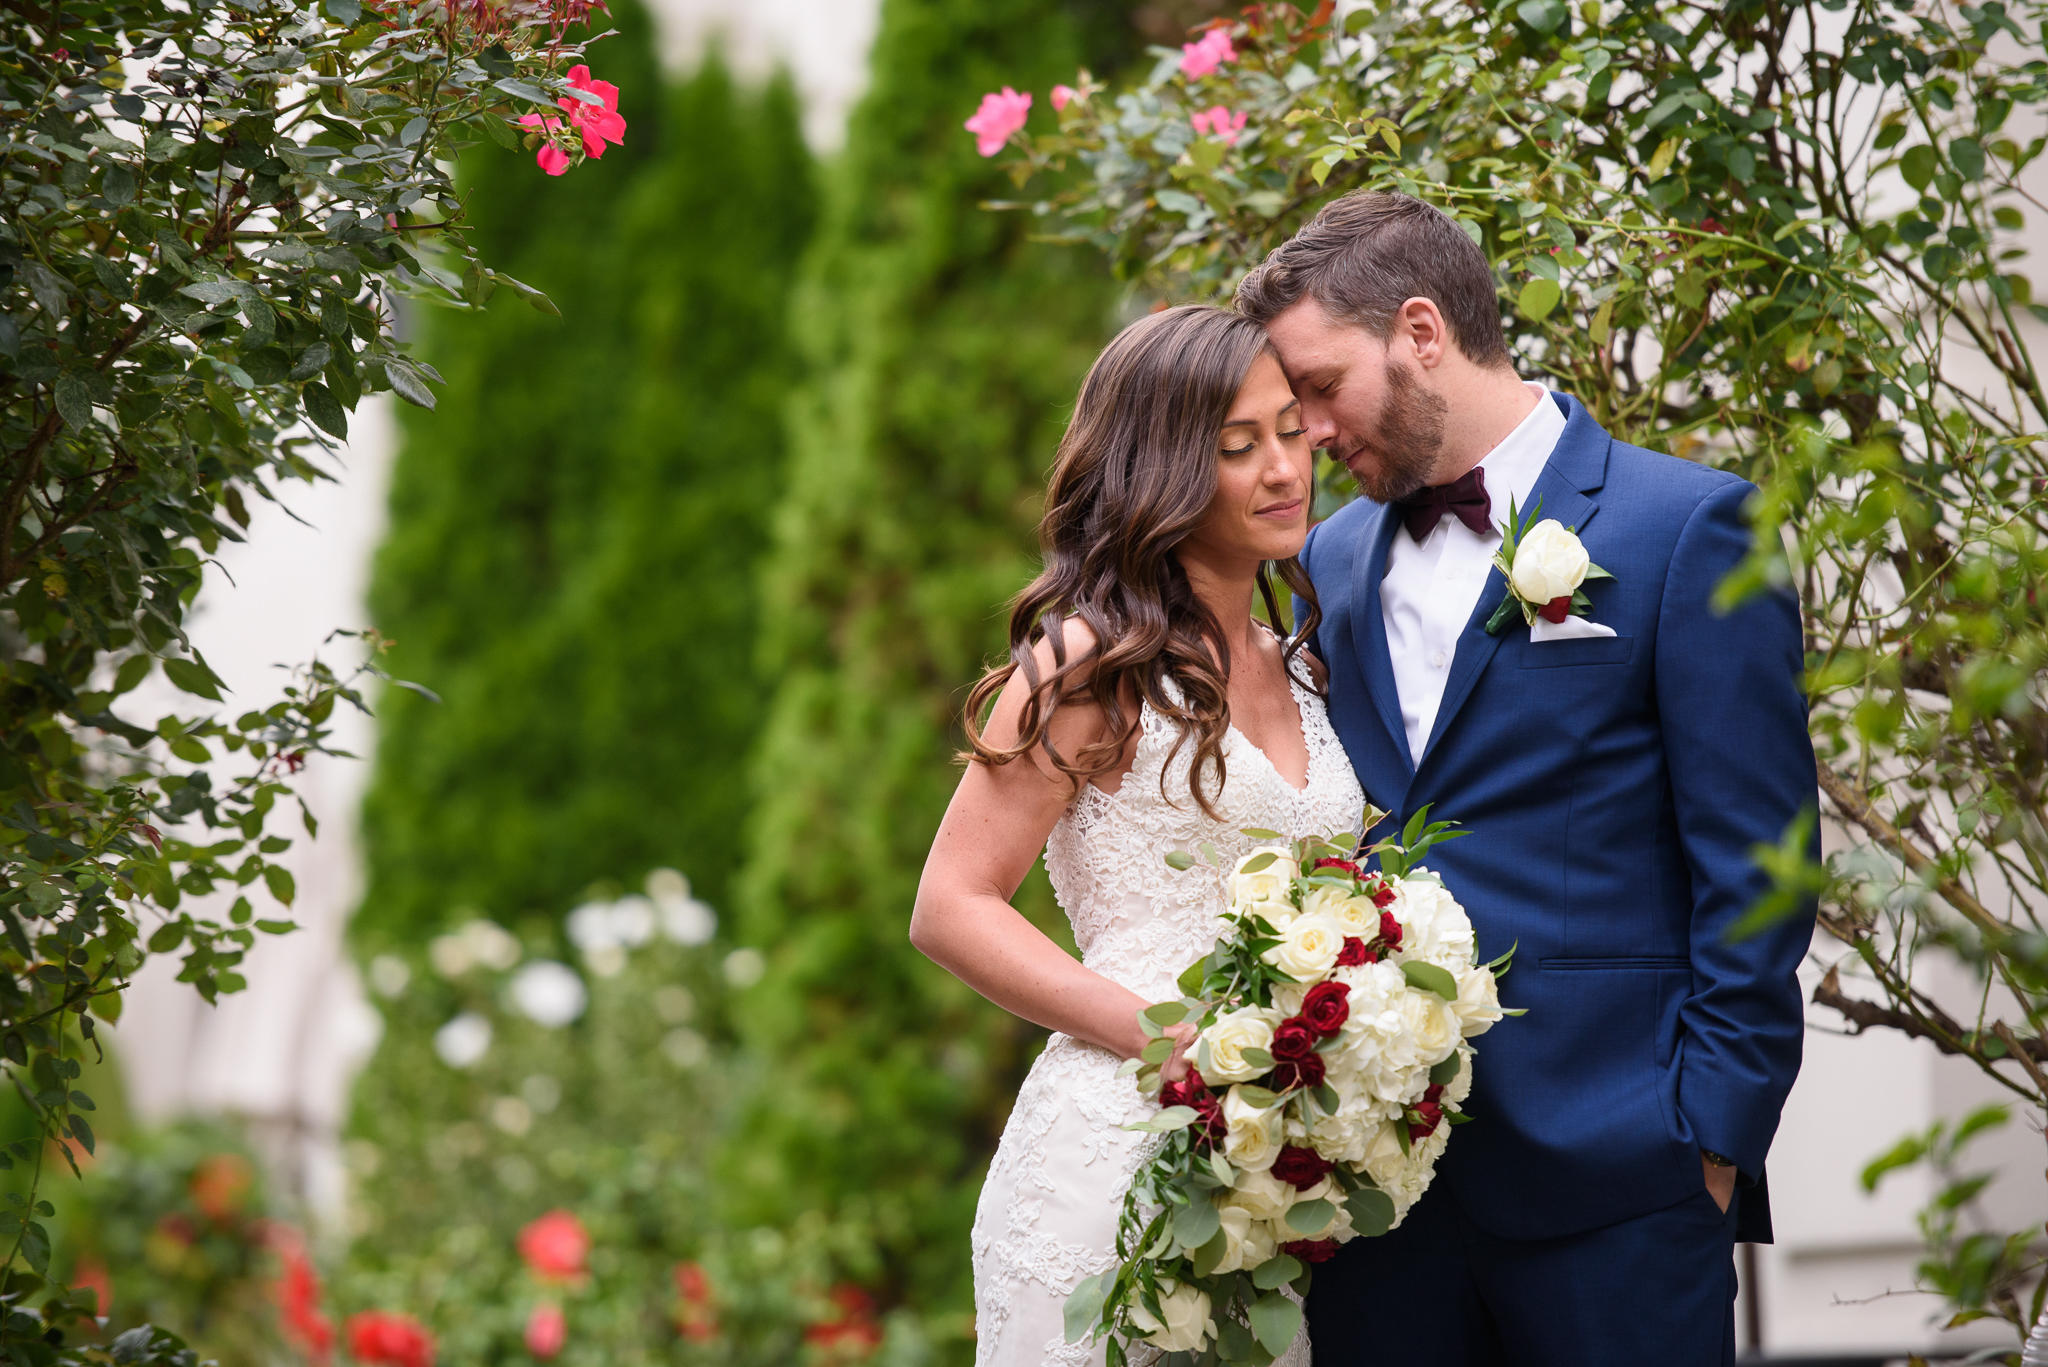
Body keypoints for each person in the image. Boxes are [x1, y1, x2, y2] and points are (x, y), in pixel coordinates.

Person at [1235, 189, 1818, 1366]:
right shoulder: (1332, 557)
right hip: (1381, 1200)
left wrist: (1707, 1135)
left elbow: (1759, 865)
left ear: (1416, 331)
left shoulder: (1686, 527)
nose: (1301, 428)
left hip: (1622, 1179)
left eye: (1315, 385)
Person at [911, 304, 1362, 1366]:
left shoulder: (1304, 660)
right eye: (1234, 446)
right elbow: (951, 904)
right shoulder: (1086, 665)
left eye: (1289, 431)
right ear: (1160, 467)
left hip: (1267, 1170)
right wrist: (1170, 1041)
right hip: (1115, 1148)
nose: (1281, 468)